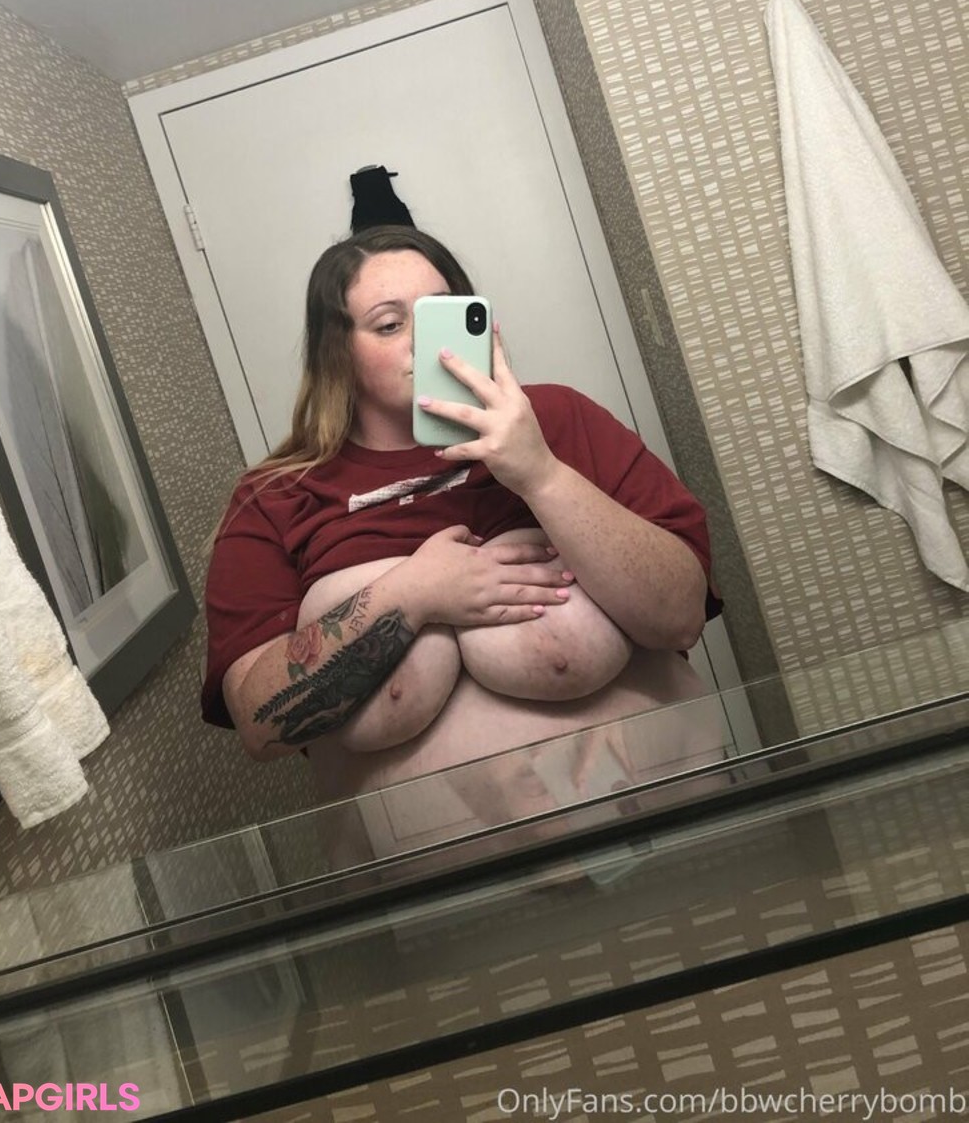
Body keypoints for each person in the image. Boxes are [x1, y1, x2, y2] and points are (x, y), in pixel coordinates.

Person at [205, 224, 724, 844]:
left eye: (441, 314)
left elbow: (680, 617)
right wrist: (413, 594)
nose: (424, 341)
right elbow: (261, 728)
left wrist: (540, 474)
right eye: (389, 324)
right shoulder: (274, 498)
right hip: (450, 896)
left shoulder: (560, 421)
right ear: (336, 352)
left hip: (680, 836)